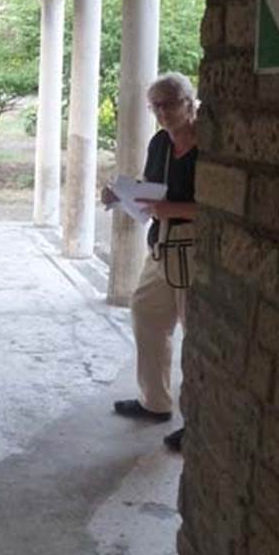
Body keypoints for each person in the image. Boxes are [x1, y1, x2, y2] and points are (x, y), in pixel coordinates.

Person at [101, 72, 198, 452]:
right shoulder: (160, 142)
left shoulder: (210, 144)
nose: (161, 112)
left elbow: (224, 207)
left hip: (194, 251)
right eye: (155, 105)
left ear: (189, 102)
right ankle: (155, 402)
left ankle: (199, 424)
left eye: (169, 103)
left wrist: (170, 208)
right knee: (146, 313)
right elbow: (151, 188)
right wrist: (121, 195)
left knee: (198, 337)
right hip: (162, 246)